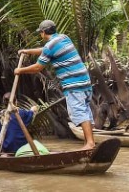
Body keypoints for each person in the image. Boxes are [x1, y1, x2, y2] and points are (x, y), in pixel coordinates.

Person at [15, 19, 95, 149]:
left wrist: (20, 70)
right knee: (85, 111)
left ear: (43, 32)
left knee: (79, 112)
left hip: (73, 84)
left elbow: (38, 68)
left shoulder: (50, 46)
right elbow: (45, 50)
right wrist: (27, 51)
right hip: (84, 81)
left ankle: (90, 143)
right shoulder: (64, 38)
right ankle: (89, 143)